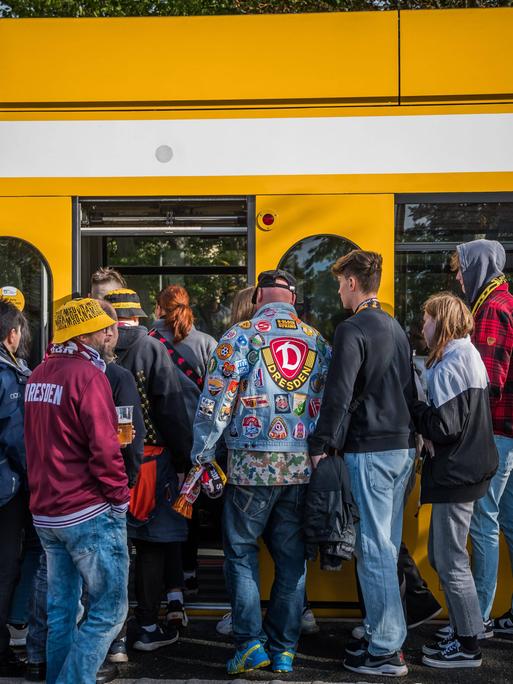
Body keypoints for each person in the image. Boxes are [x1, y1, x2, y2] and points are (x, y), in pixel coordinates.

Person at [190, 269, 331, 675]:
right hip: (301, 467)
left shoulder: (239, 336)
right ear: (293, 299)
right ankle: (284, 648)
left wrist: (202, 456)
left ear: (257, 299)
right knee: (291, 560)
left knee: (240, 552)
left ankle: (250, 644)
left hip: (250, 466)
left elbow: (215, 402)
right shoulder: (317, 340)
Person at [309, 250, 416, 677]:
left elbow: (338, 393)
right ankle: (378, 630)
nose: (338, 289)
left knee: (372, 548)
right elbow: (410, 389)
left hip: (369, 448)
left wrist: (321, 442)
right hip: (403, 447)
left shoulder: (351, 329)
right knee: (385, 546)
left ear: (353, 283)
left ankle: (387, 648)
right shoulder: (396, 327)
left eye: (339, 282)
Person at [24, 298, 130, 684]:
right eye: (105, 328)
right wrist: (120, 497)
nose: (110, 334)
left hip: (47, 512)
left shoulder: (39, 374)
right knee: (109, 612)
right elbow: (104, 447)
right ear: (89, 333)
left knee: (62, 611)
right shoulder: (88, 377)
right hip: (87, 511)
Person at [103, 288, 192, 650]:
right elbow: (170, 409)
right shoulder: (152, 347)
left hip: (105, 461)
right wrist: (186, 461)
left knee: (115, 548)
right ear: (139, 315)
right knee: (152, 545)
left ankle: (116, 634)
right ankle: (148, 625)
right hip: (154, 462)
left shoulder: (96, 349)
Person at [413, 293, 497, 668]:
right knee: (443, 554)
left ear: (442, 323)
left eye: (427, 320)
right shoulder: (469, 354)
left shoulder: (448, 364)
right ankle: (467, 625)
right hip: (472, 468)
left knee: (450, 560)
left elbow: (443, 426)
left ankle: (467, 646)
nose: (422, 327)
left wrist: (414, 407)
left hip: (455, 473)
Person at [451, 239, 513, 638]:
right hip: (508, 431)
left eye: (460, 268)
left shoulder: (491, 308)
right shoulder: (503, 300)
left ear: (478, 267)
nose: (457, 277)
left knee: (484, 523)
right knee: (507, 520)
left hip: (496, 433)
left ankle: (481, 619)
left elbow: (488, 383)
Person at [151, 284, 217, 599]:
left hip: (160, 443)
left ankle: (168, 581)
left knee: (164, 514)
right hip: (200, 444)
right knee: (193, 509)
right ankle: (190, 573)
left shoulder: (147, 342)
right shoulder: (208, 344)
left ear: (159, 308)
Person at [0, 300, 31, 677]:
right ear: (12, 334)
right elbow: (14, 436)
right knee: (5, 569)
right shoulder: (8, 376)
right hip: (5, 489)